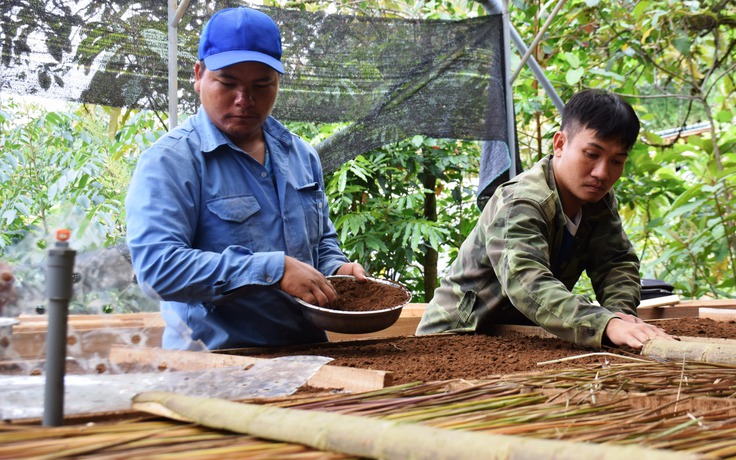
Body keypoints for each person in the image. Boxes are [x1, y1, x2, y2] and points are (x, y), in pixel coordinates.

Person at [126, 7, 366, 351]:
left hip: (309, 356)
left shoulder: (300, 156)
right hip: (215, 366)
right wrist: (272, 269)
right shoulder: (170, 162)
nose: (244, 100)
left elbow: (321, 244)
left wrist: (337, 270)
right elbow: (157, 268)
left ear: (278, 82)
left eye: (261, 84)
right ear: (198, 75)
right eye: (227, 83)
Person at [417, 89, 673, 350]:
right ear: (560, 144)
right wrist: (603, 324)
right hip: (453, 340)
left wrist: (619, 315)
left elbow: (615, 262)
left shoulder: (599, 201)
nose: (602, 172)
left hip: (520, 340)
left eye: (617, 161)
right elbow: (528, 284)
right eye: (591, 154)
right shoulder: (521, 202)